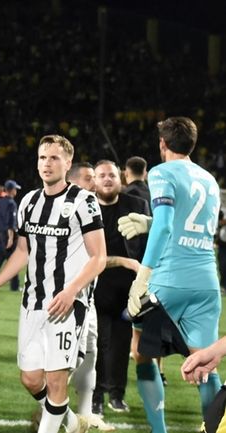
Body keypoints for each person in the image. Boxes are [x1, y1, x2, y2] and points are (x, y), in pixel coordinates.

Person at [0, 134, 106, 433]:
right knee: (31, 379)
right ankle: (72, 423)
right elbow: (22, 252)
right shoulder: (29, 201)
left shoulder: (84, 201)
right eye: (42, 158)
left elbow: (98, 257)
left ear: (68, 162)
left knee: (57, 380)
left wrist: (72, 291)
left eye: (54, 158)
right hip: (33, 301)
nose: (47, 164)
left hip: (67, 304)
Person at [121, 117, 222, 433]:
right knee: (204, 364)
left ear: (162, 144)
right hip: (207, 283)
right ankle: (216, 428)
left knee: (142, 353)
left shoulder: (161, 172)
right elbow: (193, 228)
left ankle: (159, 431)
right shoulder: (209, 179)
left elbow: (167, 226)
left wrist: (142, 278)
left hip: (169, 282)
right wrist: (148, 223)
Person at [91, 160, 149, 419]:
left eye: (111, 175)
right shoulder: (86, 208)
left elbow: (150, 246)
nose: (106, 179)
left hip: (129, 289)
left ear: (121, 178)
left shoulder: (136, 206)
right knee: (98, 345)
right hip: (95, 287)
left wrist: (146, 281)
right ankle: (96, 397)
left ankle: (116, 395)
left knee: (122, 343)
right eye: (101, 175)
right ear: (94, 181)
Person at [65, 162, 111, 431]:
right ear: (72, 181)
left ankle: (84, 414)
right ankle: (49, 408)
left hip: (88, 296)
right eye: (88, 178)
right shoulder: (66, 210)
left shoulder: (90, 209)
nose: (93, 182)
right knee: (72, 357)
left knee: (90, 353)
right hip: (70, 296)